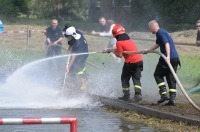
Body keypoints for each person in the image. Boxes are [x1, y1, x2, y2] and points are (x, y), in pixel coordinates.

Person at [143, 20, 180, 106]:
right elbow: (158, 44)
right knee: (170, 77)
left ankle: (163, 94)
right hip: (175, 58)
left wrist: (167, 56)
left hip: (167, 58)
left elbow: (166, 44)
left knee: (157, 75)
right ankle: (172, 99)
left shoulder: (160, 33)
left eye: (149, 28)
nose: (150, 30)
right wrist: (148, 51)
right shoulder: (163, 32)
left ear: (152, 27)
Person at [103, 24, 143, 102]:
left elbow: (120, 55)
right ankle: (138, 95)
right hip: (139, 61)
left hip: (130, 62)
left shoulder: (119, 42)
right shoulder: (128, 39)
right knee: (136, 78)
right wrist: (108, 49)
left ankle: (126, 95)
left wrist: (113, 52)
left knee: (124, 78)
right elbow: (118, 47)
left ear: (115, 35)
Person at [63, 25, 89, 90]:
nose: (67, 38)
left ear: (71, 36)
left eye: (68, 37)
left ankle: (83, 84)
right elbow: (71, 42)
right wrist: (69, 48)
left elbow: (73, 56)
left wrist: (68, 68)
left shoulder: (76, 43)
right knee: (73, 68)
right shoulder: (77, 32)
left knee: (78, 67)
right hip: (80, 51)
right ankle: (72, 83)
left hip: (82, 54)